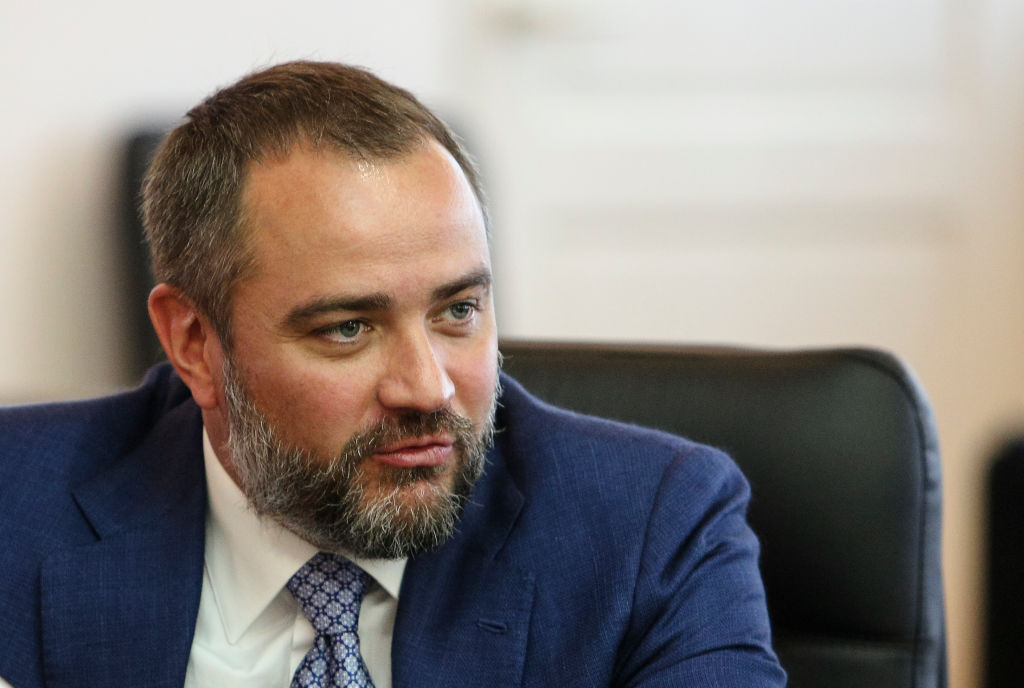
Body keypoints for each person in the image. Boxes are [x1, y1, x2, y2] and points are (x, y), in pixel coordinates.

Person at [0, 61, 785, 687]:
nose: (428, 388)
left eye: (458, 311)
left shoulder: (654, 528)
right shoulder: (14, 505)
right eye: (349, 328)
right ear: (195, 343)